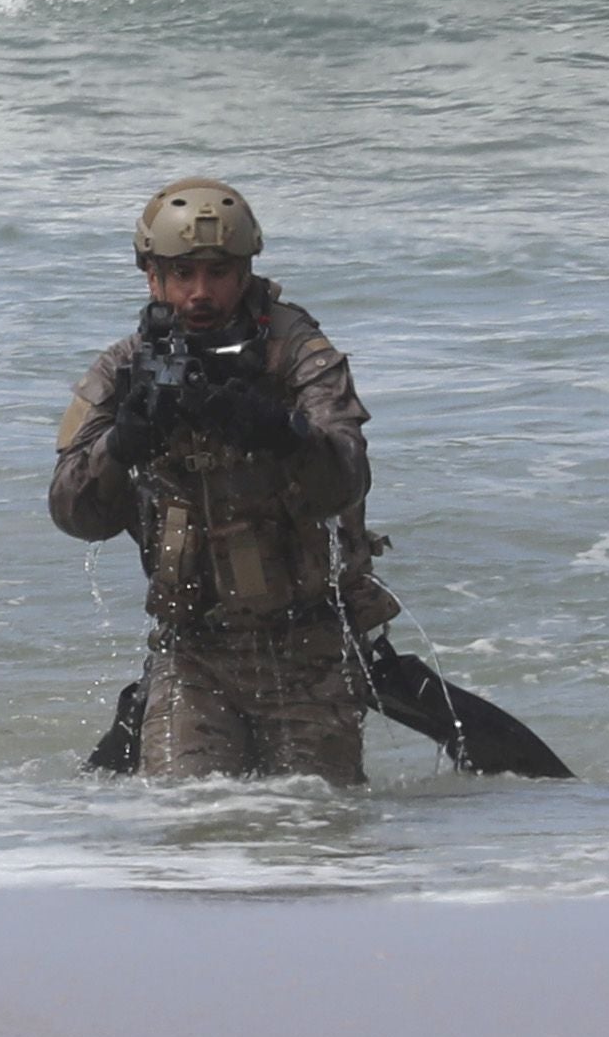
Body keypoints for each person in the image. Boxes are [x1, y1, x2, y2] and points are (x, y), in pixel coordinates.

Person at [48, 176, 397, 783]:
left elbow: (346, 480)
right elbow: (72, 512)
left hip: (307, 652)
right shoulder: (126, 368)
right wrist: (122, 444)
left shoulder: (298, 355)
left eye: (218, 273)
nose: (200, 293)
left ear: (244, 273)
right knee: (190, 832)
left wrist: (280, 432)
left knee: (311, 833)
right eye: (183, 274)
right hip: (193, 654)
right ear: (152, 277)